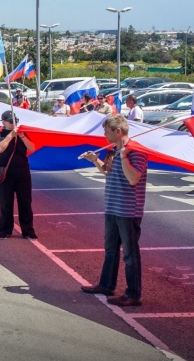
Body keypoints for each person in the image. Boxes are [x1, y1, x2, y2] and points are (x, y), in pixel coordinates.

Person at [78, 114, 148, 307]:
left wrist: (124, 155)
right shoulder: (112, 150)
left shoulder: (136, 151)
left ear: (118, 131)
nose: (104, 135)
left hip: (128, 210)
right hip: (112, 206)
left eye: (106, 131)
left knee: (130, 254)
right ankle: (106, 285)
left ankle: (133, 294)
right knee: (110, 249)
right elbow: (107, 171)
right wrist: (95, 160)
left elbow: (133, 178)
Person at [0, 110, 37, 239]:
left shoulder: (22, 133)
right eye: (10, 121)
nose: (14, 123)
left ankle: (28, 230)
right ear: (4, 122)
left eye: (15, 121)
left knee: (25, 202)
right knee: (5, 203)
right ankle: (5, 230)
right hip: (5, 173)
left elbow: (32, 148)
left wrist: (22, 136)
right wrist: (11, 135)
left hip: (22, 171)